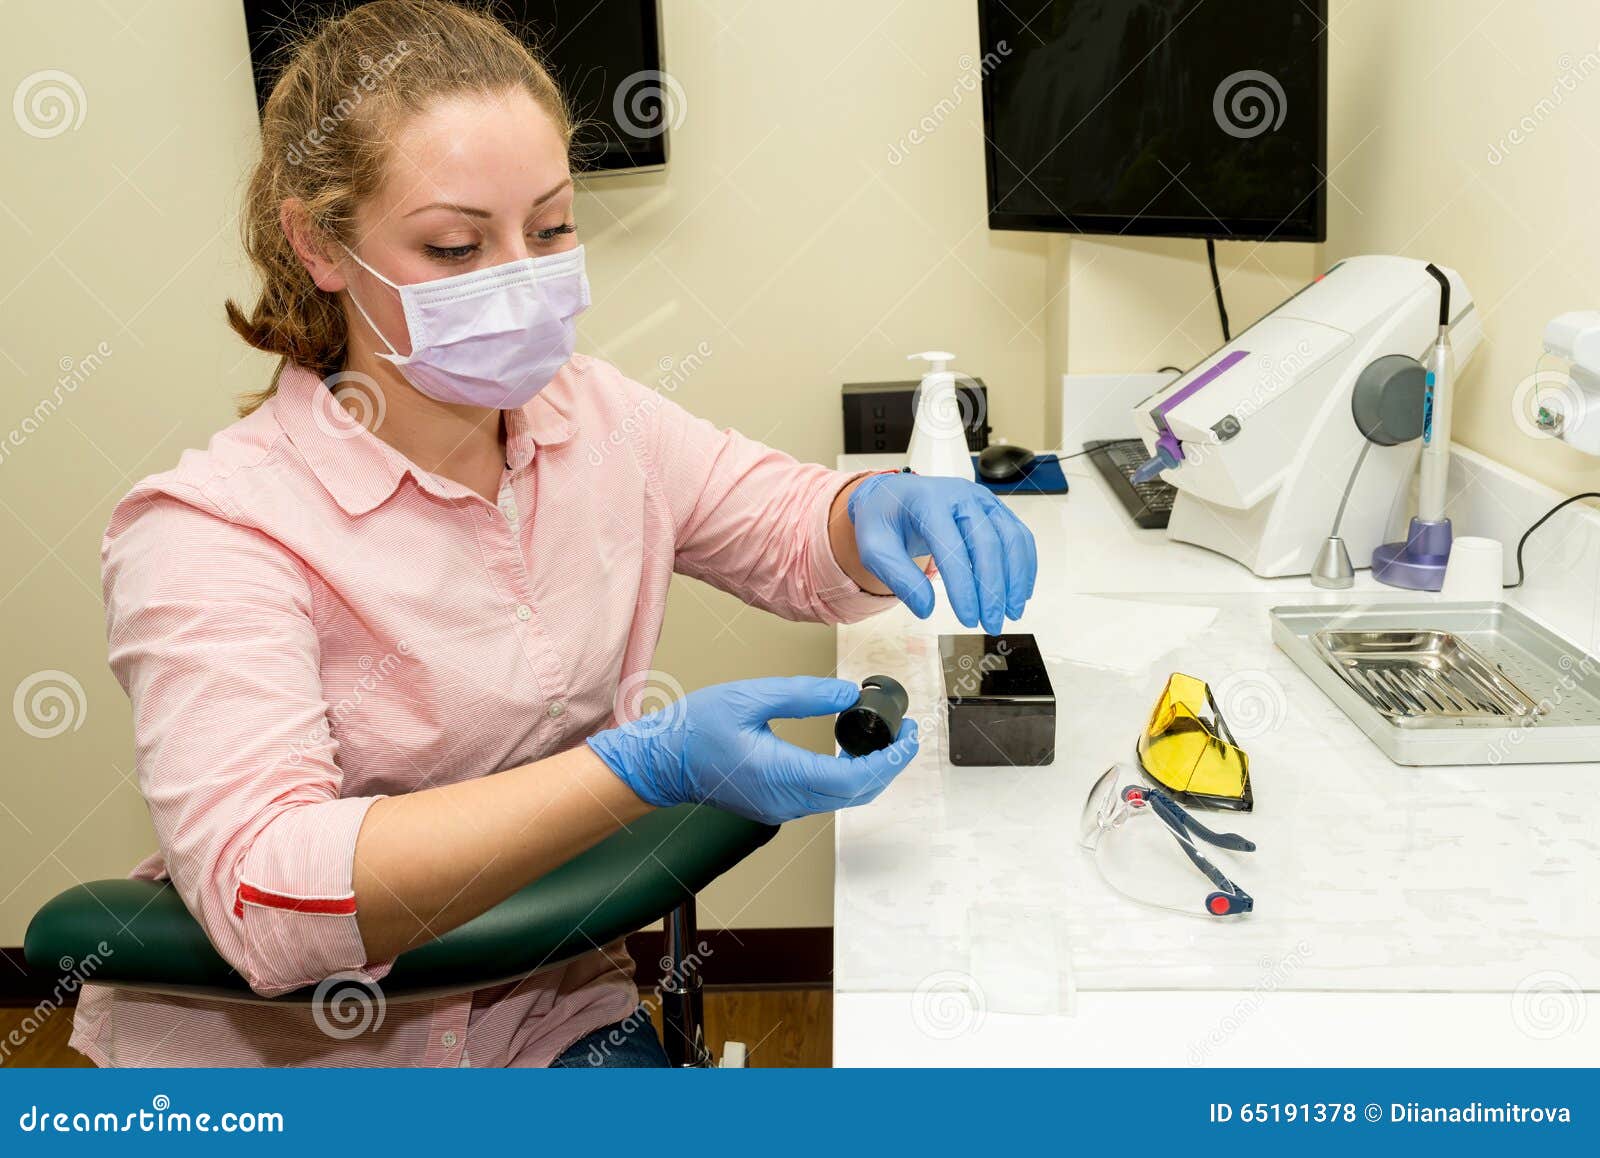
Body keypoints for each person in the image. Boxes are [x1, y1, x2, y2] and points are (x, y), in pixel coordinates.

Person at [72, 0, 1035, 1068]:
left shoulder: (595, 417)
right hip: (308, 1066)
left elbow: (782, 524)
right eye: (454, 245)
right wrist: (640, 769)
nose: (519, 276)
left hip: (546, 1015)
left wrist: (872, 510)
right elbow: (268, 892)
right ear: (320, 243)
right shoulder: (212, 530)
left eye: (550, 228)